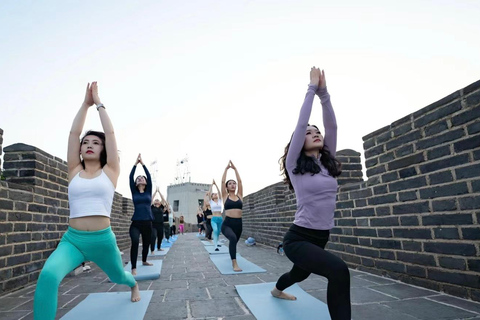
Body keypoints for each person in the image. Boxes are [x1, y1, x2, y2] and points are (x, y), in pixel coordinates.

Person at [34, 82, 140, 320]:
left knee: (118, 277)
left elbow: (111, 134)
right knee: (49, 275)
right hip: (73, 240)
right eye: (85, 143)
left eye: (95, 142)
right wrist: (85, 104)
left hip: (103, 240)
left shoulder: (111, 171)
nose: (89, 145)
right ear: (80, 150)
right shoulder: (74, 170)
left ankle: (133, 284)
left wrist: (99, 103)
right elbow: (73, 134)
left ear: (103, 150)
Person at [271, 67, 350, 320]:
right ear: (298, 142)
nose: (315, 133)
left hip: (320, 237)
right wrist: (312, 89)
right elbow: (301, 122)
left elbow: (332, 126)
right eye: (308, 133)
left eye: (317, 132)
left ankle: (276, 289)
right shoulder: (294, 165)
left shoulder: (327, 164)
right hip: (298, 238)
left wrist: (325, 94)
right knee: (339, 270)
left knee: (299, 274)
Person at [129, 153, 154, 275]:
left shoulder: (148, 191)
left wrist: (143, 164)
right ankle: (133, 267)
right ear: (135, 183)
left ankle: (144, 260)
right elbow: (130, 177)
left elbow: (149, 176)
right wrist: (135, 164)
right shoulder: (134, 192)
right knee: (134, 241)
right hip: (136, 222)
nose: (140, 178)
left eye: (142, 178)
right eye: (138, 178)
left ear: (145, 182)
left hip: (148, 222)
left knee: (146, 243)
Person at [221, 161, 244, 271]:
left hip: (239, 224)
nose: (233, 185)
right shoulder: (225, 196)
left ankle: (232, 255)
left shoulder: (239, 196)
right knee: (233, 238)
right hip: (227, 224)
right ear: (226, 187)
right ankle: (234, 263)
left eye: (233, 183)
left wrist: (235, 169)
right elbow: (222, 182)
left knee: (234, 242)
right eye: (230, 183)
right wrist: (226, 169)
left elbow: (240, 181)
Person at [205, 180, 223, 251]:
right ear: (212, 197)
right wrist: (212, 185)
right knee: (215, 230)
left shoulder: (220, 201)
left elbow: (219, 192)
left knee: (218, 231)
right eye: (214, 194)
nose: (215, 195)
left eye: (216, 194)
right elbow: (209, 194)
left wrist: (216, 185)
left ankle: (217, 241)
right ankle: (215, 246)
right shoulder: (211, 202)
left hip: (220, 218)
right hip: (214, 219)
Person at [150, 187, 165, 253]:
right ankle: (152, 250)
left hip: (161, 224)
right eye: (155, 200)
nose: (157, 201)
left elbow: (163, 200)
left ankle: (159, 247)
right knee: (153, 236)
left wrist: (159, 192)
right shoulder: (152, 207)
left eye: (158, 200)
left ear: (159, 203)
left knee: (160, 236)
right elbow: (151, 199)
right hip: (153, 224)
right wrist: (155, 192)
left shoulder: (161, 207)